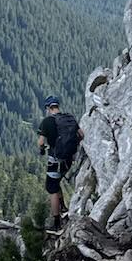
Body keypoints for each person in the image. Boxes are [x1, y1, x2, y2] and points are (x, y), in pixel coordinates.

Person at [36, 96, 82, 231]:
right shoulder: (69, 118)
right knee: (57, 182)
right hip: (69, 160)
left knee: (51, 187)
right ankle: (63, 208)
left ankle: (57, 222)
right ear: (57, 106)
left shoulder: (47, 122)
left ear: (48, 108)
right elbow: (81, 134)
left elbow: (41, 142)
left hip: (55, 160)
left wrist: (42, 149)